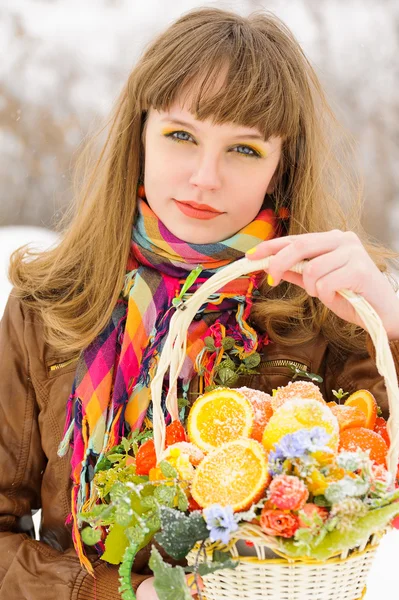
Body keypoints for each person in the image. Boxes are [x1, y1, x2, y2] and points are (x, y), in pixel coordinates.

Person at [1, 7, 398, 600]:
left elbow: (377, 504)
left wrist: (390, 326)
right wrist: (115, 593)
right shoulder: (50, 306)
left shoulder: (324, 311)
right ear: (140, 134)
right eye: (181, 135)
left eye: (243, 149)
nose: (204, 177)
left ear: (280, 163)